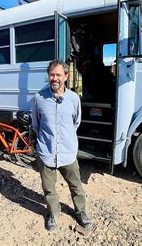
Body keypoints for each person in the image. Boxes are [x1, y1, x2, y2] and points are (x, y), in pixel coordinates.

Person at [31, 60, 93, 231]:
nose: (54, 78)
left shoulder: (74, 99)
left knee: (76, 186)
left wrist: (65, 139)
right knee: (49, 188)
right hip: (47, 152)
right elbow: (36, 125)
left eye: (58, 74)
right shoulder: (39, 98)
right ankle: (53, 212)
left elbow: (76, 122)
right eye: (51, 75)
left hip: (68, 153)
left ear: (65, 76)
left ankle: (81, 212)